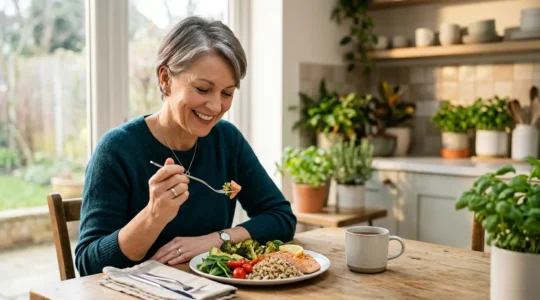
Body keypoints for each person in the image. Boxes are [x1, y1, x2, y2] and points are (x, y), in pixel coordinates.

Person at [74, 16, 297, 276]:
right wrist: (154, 215)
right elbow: (88, 264)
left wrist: (217, 239)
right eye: (203, 89)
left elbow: (281, 217)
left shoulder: (227, 140)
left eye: (227, 93)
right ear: (166, 79)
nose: (215, 107)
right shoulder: (117, 150)